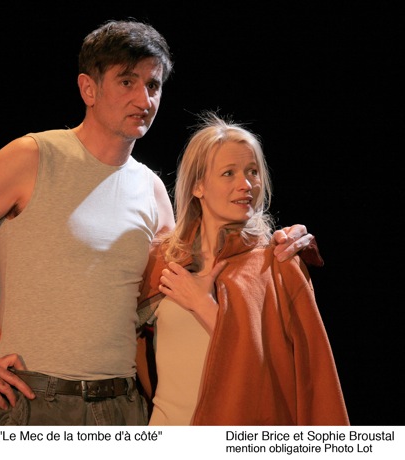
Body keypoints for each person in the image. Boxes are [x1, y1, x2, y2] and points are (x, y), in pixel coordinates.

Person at [0, 19, 315, 426]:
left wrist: (275, 242)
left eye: (153, 85)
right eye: (127, 81)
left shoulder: (153, 191)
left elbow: (176, 295)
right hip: (33, 403)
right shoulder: (31, 158)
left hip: (122, 409)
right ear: (89, 88)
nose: (144, 99)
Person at [134, 111, 349, 425]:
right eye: (229, 173)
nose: (246, 184)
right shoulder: (162, 259)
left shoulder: (279, 264)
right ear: (197, 186)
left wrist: (203, 306)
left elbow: (286, 378)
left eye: (252, 172)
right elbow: (127, 346)